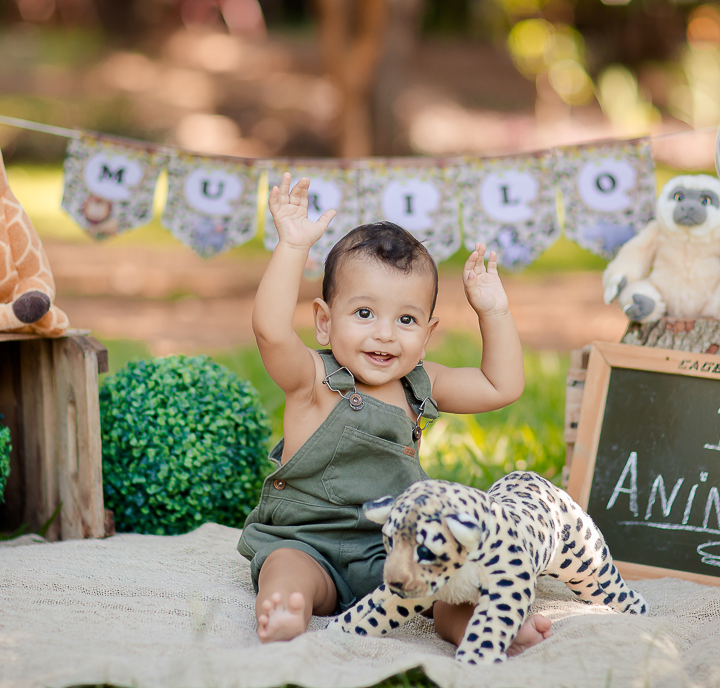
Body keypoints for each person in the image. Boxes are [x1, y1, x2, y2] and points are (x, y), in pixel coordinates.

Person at [237, 172, 552, 653]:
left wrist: (493, 312)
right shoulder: (311, 381)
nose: (385, 334)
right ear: (324, 322)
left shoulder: (422, 384)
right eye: (364, 313)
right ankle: (287, 607)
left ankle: (479, 627)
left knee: (449, 584)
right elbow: (271, 331)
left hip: (395, 551)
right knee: (285, 567)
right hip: (308, 540)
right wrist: (292, 246)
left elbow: (500, 385)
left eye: (405, 320)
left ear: (426, 335)